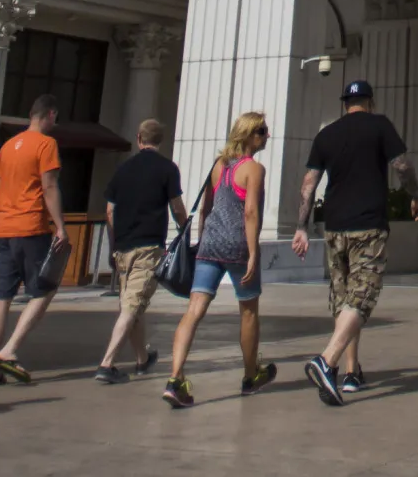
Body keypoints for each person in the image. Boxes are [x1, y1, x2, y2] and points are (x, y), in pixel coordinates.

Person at [294, 79, 415, 404]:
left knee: (345, 298)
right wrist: (415, 196)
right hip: (367, 226)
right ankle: (326, 360)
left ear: (344, 103)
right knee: (362, 298)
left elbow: (309, 184)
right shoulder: (380, 126)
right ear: (370, 102)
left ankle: (351, 373)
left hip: (334, 228)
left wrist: (301, 227)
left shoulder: (326, 135)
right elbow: (402, 166)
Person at [162, 111, 279, 408]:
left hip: (210, 245)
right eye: (262, 131)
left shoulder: (219, 166)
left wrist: (204, 240)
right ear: (251, 134)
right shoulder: (253, 169)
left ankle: (175, 378)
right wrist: (253, 252)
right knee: (249, 310)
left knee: (194, 310)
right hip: (238, 246)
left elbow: (206, 209)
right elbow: (251, 212)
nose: (266, 135)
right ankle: (251, 375)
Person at [0, 94, 67, 386]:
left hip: (3, 227)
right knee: (43, 290)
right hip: (31, 228)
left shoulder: (7, 146)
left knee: (0, 297)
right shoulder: (46, 144)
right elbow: (50, 186)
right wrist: (60, 226)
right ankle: (9, 350)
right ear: (51, 114)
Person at [93, 118, 187, 383]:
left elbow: (110, 210)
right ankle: (107, 364)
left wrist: (114, 245)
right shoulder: (168, 169)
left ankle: (142, 359)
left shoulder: (123, 169)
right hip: (149, 247)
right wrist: (185, 232)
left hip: (122, 246)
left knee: (130, 305)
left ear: (138, 138)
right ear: (160, 140)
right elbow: (177, 207)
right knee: (132, 307)